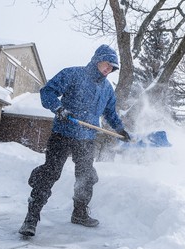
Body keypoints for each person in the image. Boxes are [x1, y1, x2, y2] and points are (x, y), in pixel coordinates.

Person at [19, 45, 130, 237]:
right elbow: (48, 92)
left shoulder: (107, 89)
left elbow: (110, 112)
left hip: (87, 139)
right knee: (50, 173)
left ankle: (79, 213)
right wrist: (58, 108)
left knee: (86, 176)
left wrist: (120, 129)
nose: (108, 69)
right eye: (107, 64)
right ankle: (31, 217)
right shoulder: (73, 74)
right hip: (63, 133)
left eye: (112, 68)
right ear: (97, 60)